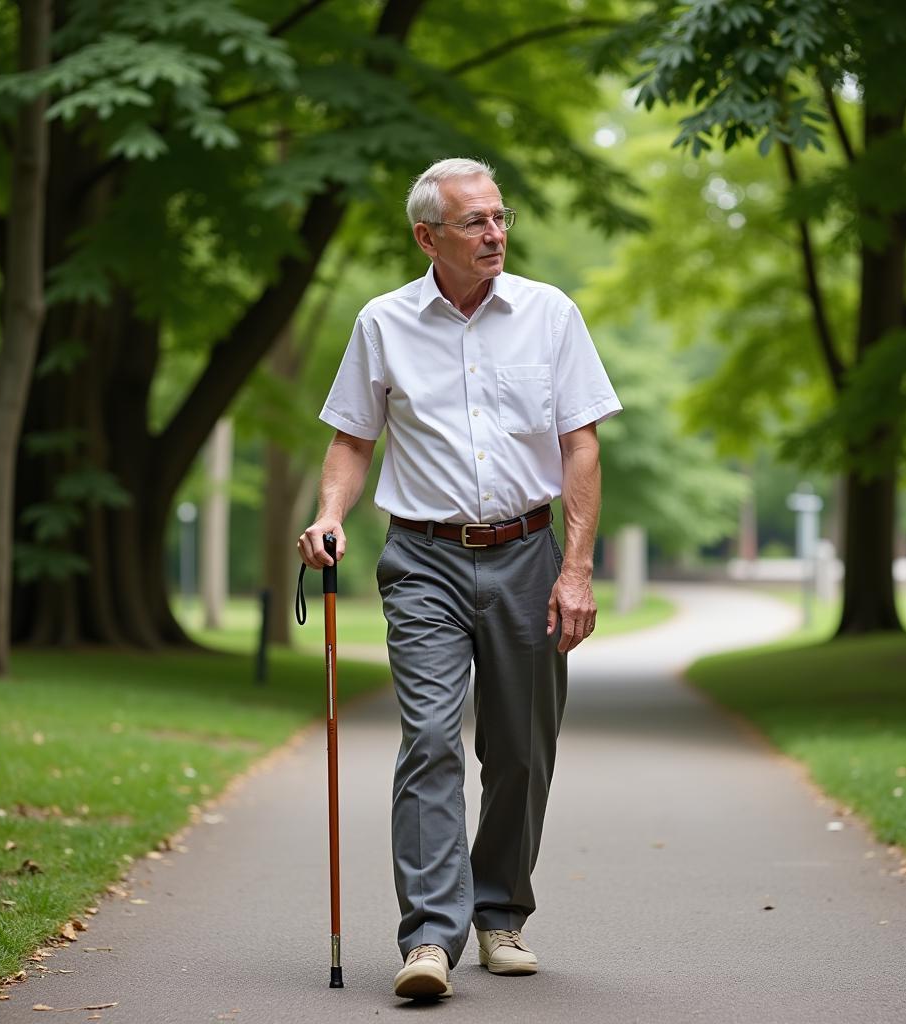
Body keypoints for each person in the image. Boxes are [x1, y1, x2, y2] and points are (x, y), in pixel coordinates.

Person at [297, 157, 621, 1001]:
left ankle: (500, 914)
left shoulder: (550, 314)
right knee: (431, 740)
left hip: (527, 552)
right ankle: (430, 940)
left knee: (519, 748)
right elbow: (352, 438)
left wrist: (577, 569)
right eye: (475, 222)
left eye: (500, 218)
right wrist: (331, 512)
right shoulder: (383, 322)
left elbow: (581, 443)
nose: (495, 234)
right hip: (423, 558)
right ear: (426, 236)